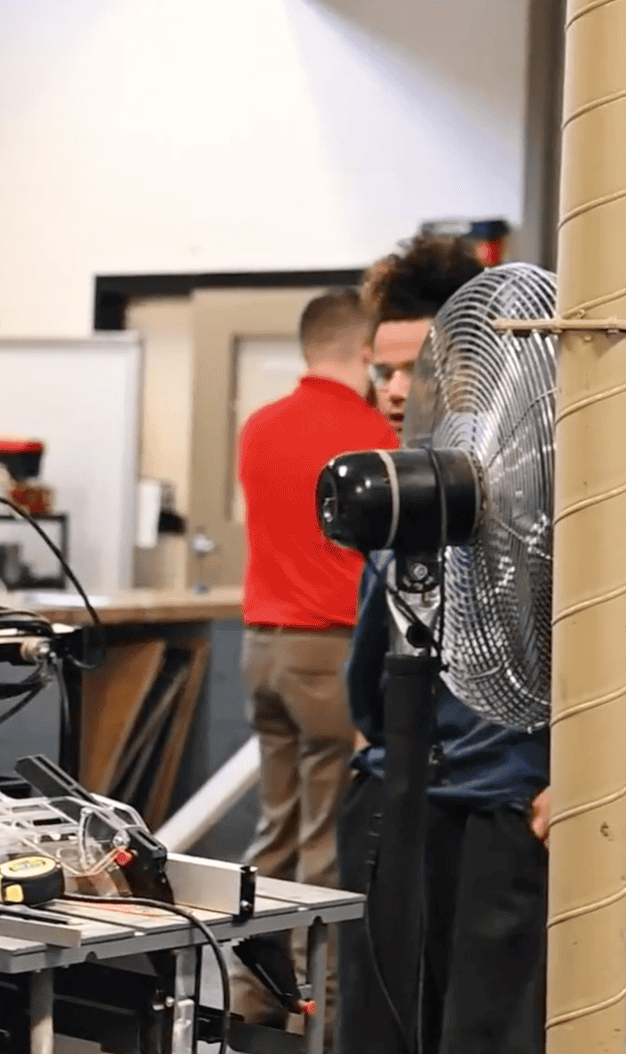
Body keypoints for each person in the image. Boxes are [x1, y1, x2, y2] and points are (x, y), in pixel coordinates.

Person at [336, 233, 549, 1054]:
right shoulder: (404, 482)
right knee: (378, 1023)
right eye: (382, 371)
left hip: (507, 807)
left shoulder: (549, 487)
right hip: (395, 800)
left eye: (412, 368)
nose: (394, 391)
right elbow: (370, 656)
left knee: (485, 1031)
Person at [229, 287, 397, 1036]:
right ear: (366, 353)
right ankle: (322, 1012)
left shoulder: (259, 427)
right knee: (329, 837)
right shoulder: (373, 434)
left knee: (278, 829)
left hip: (261, 649)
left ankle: (253, 995)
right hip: (330, 652)